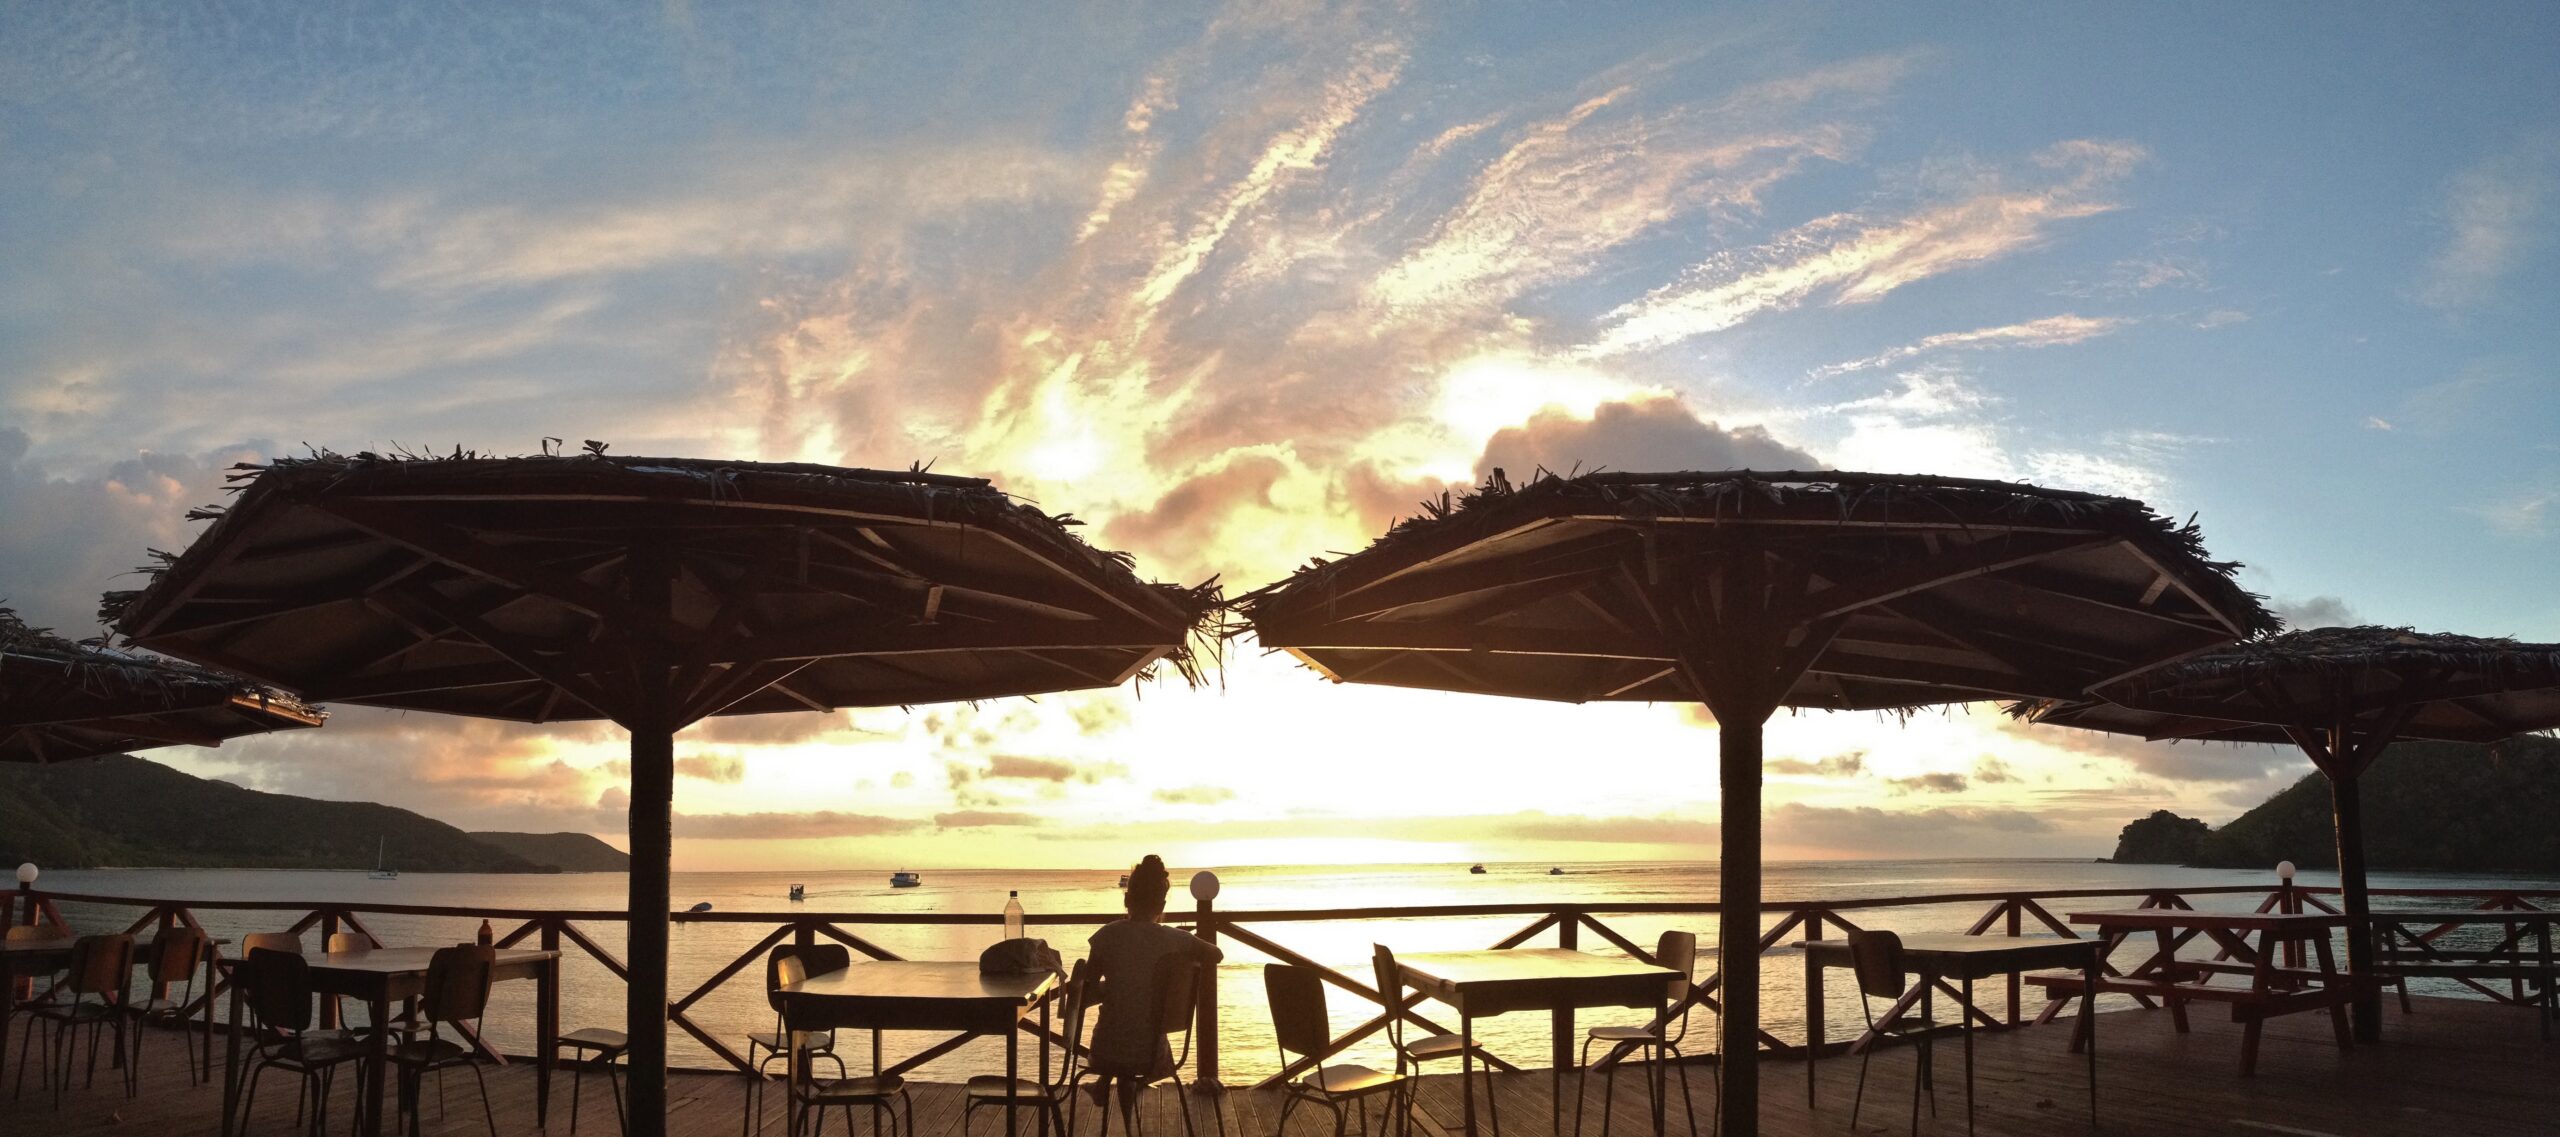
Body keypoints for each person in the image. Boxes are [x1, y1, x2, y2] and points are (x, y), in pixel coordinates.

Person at [1085, 855, 1223, 1089]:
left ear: (1127, 899)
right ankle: (1122, 1105)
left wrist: (1117, 988)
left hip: (1107, 1052)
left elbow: (1087, 993)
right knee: (1140, 1028)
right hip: (1152, 1056)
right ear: (1161, 906)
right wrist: (1178, 966)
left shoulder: (1106, 935)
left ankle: (1103, 1087)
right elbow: (1215, 954)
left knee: (1120, 1026)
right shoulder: (1175, 939)